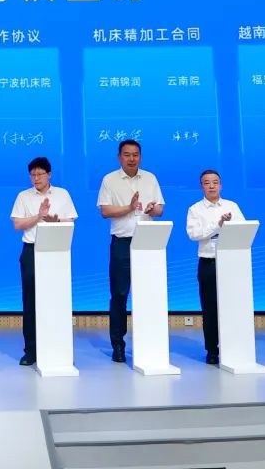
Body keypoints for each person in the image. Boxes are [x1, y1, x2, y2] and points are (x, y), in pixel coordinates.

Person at [97, 140, 164, 363]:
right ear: (119, 157)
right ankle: (118, 345)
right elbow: (105, 211)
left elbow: (160, 209)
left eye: (135, 155)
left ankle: (149, 344)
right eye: (127, 155)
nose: (132, 159)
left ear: (140, 157)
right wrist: (129, 207)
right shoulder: (110, 179)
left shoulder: (150, 178)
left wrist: (153, 209)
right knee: (119, 295)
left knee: (149, 294)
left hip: (147, 242)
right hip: (122, 243)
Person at [11, 157, 77, 366]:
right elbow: (17, 224)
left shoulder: (62, 194)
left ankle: (56, 348)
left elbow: (71, 220)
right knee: (30, 301)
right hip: (31, 250)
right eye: (33, 175)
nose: (36, 178)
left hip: (56, 251)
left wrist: (55, 220)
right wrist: (38, 216)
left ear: (49, 175)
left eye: (40, 174)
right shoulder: (23, 196)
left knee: (56, 300)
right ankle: (31, 351)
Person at [184, 169, 244, 365]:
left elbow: (243, 229)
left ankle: (232, 347)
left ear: (221, 185)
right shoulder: (195, 209)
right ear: (201, 186)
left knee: (232, 306)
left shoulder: (232, 206)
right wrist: (218, 225)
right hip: (208, 263)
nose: (211, 186)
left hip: (230, 262)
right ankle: (212, 350)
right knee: (210, 309)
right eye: (207, 183)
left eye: (215, 182)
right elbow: (194, 234)